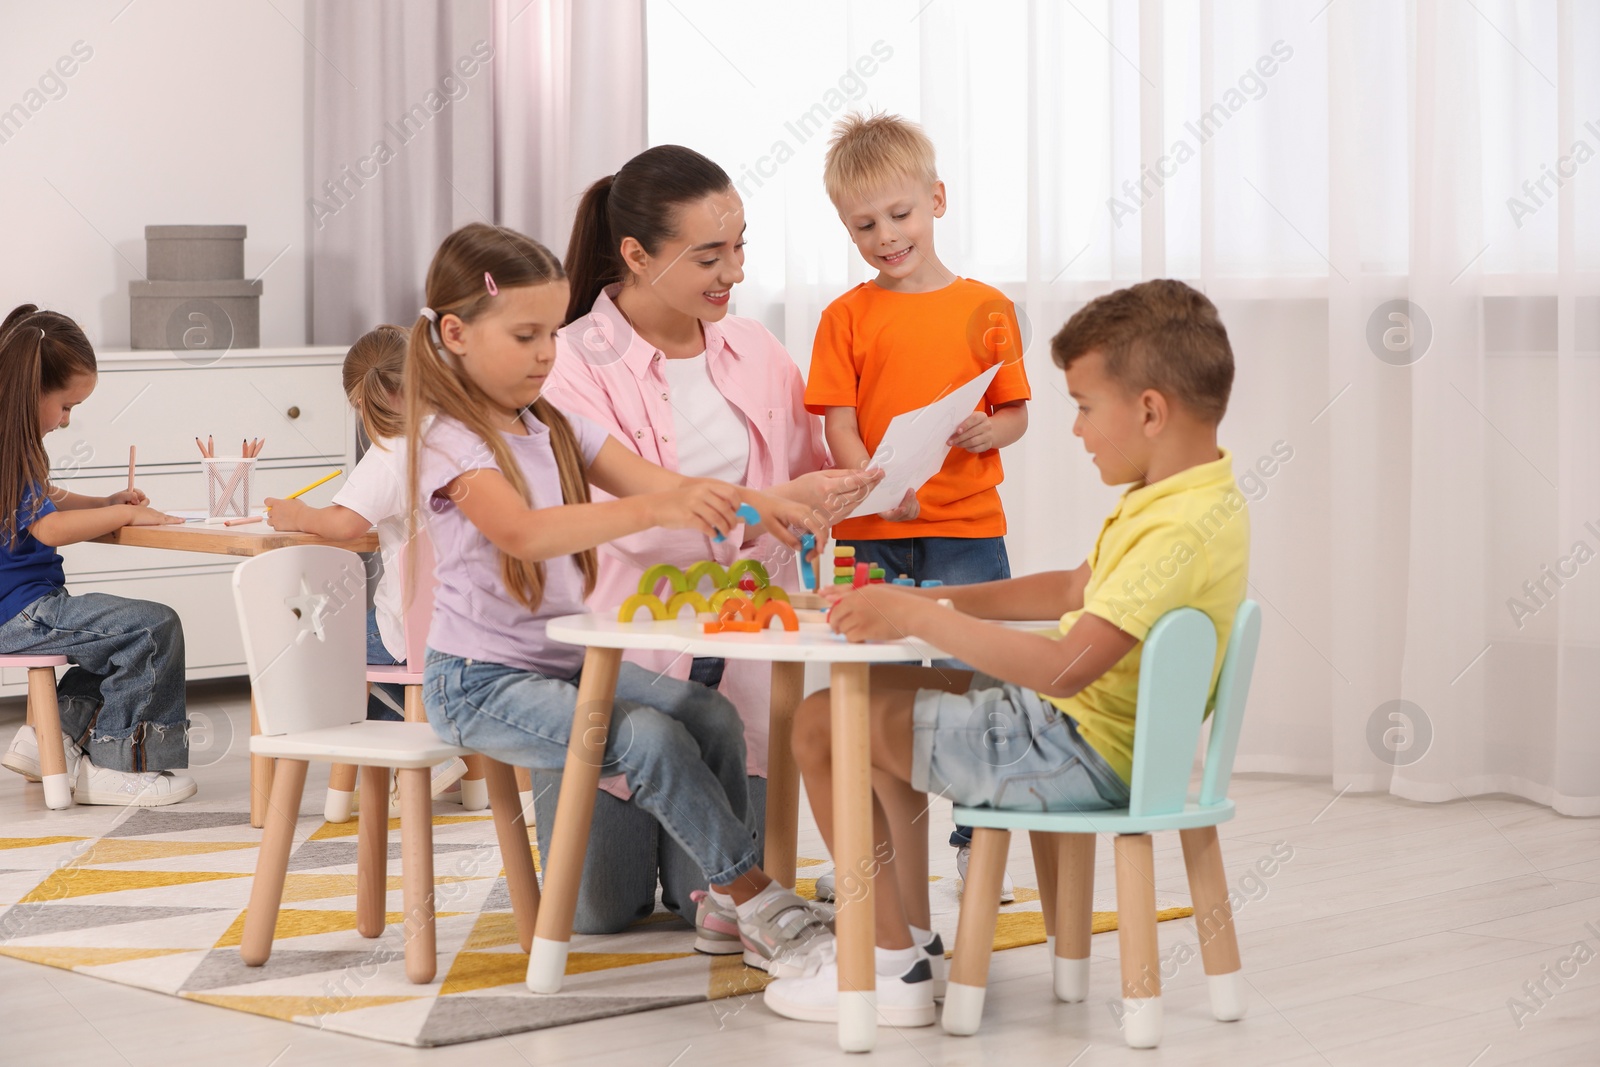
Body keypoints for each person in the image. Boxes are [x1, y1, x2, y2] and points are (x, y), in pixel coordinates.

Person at [765, 280, 1251, 1027]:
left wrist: (912, 617)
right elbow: (1066, 588)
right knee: (881, 711)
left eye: (1086, 407)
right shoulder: (1194, 498)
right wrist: (929, 601)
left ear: (1150, 410)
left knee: (824, 723)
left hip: (1070, 748)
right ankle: (906, 935)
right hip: (1097, 741)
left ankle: (885, 967)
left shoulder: (1171, 529)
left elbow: (1064, 668)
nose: (1079, 431)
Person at [407, 221, 832, 974]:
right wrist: (655, 510)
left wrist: (755, 506)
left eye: (552, 334)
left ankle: (723, 897)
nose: (548, 352)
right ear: (457, 332)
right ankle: (757, 895)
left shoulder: (552, 421)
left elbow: (659, 482)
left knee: (707, 713)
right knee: (649, 739)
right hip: (476, 682)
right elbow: (527, 532)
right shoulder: (451, 440)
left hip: (564, 665)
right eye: (527, 335)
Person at [541, 143, 873, 936]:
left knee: (718, 900)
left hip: (744, 664)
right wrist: (766, 506)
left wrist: (849, 482)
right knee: (600, 911)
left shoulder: (754, 350)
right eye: (709, 255)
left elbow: (803, 478)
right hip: (626, 656)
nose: (734, 272)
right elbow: (615, 529)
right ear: (635, 255)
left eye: (741, 246)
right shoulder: (570, 363)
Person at [804, 111, 1032, 898]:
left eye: (899, 215)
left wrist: (986, 426)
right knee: (866, 690)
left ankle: (979, 842)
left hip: (968, 531)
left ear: (936, 200)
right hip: (874, 529)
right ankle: (871, 852)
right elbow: (836, 421)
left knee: (974, 681)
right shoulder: (845, 317)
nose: (885, 235)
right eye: (863, 224)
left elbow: (1015, 415)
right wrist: (872, 481)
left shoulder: (987, 308)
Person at [263, 324, 468, 808]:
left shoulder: (390, 455)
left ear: (362, 403)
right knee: (364, 645)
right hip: (473, 626)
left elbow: (345, 525)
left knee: (338, 645)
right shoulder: (463, 438)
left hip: (415, 634)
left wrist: (297, 514)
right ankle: (461, 765)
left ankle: (411, 760)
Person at [0, 304, 195, 806]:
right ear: (31, 390)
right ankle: (116, 766)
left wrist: (106, 503)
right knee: (153, 628)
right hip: (21, 614)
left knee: (116, 636)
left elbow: (46, 499)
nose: (66, 421)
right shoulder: (8, 445)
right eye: (65, 406)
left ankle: (51, 737)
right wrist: (124, 517)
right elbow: (49, 528)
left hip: (21, 609)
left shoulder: (9, 444)